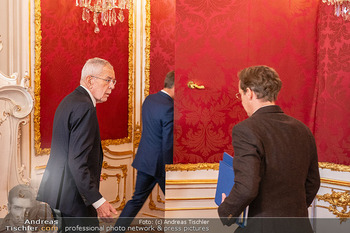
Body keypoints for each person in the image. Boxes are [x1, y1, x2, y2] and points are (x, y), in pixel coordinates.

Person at [218, 65, 320, 233]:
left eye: (240, 94)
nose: (241, 99)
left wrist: (226, 210)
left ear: (249, 92)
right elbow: (313, 182)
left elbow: (247, 187)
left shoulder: (246, 129)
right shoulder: (303, 129)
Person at [37, 58, 117, 231]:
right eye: (108, 80)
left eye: (113, 81)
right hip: (75, 199)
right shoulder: (85, 107)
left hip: (61, 193)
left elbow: (69, 152)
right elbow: (77, 162)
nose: (112, 86)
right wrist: (99, 202)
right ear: (90, 80)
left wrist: (92, 171)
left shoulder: (70, 100)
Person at [112, 71, 175, 232]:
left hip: (145, 159)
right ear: (176, 86)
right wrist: (170, 167)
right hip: (160, 164)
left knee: (136, 200)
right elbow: (167, 142)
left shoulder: (150, 99)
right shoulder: (169, 107)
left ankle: (116, 231)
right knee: (176, 200)